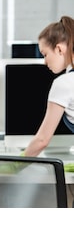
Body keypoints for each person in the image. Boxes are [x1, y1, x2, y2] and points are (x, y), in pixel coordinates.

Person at [23, 16, 74, 157]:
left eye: (45, 54)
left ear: (59, 49)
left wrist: (15, 165)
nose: (45, 62)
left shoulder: (64, 83)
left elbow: (42, 140)